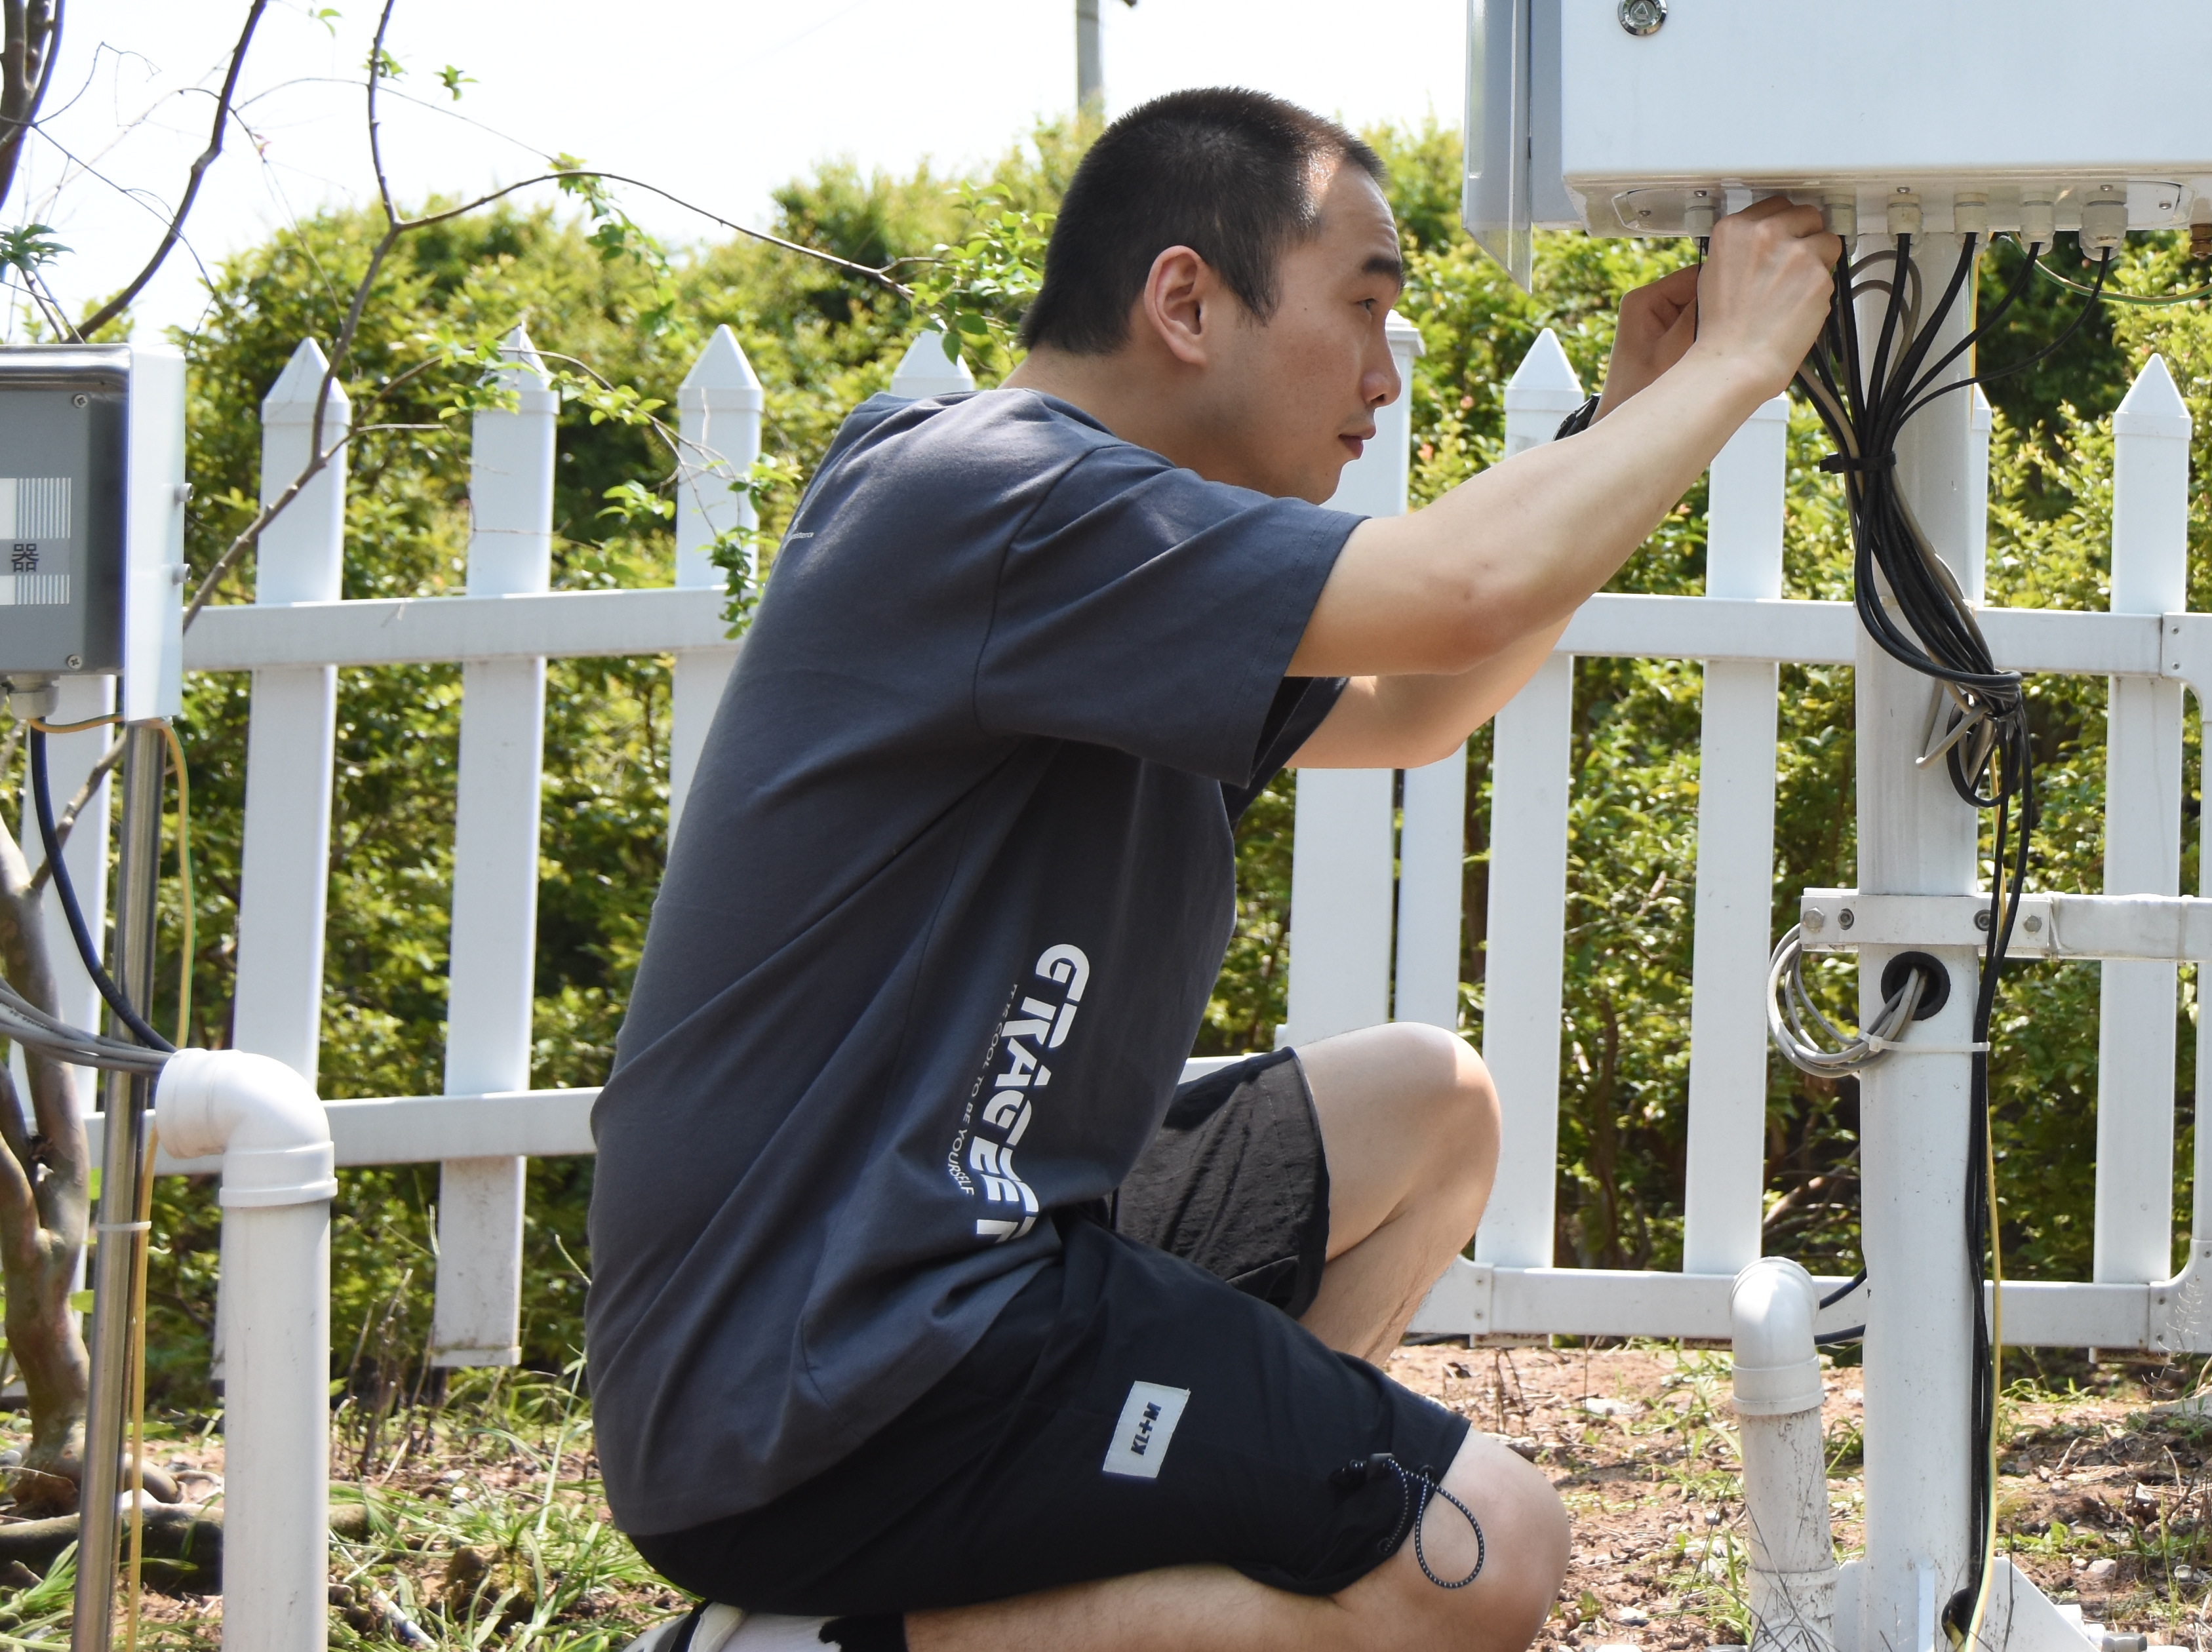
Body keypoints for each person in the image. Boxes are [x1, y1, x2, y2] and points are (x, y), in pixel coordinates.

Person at [586, 87, 1840, 1652]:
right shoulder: (994, 492)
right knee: (1486, 1554)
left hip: (968, 1252)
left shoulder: (1098, 534)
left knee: (1428, 1108)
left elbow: (1420, 703)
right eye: (1364, 308)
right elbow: (1459, 592)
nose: (1385, 379)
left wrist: (1614, 425)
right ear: (1186, 299)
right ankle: (811, 1645)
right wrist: (1732, 365)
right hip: (832, 1360)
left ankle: (1178, 1537)